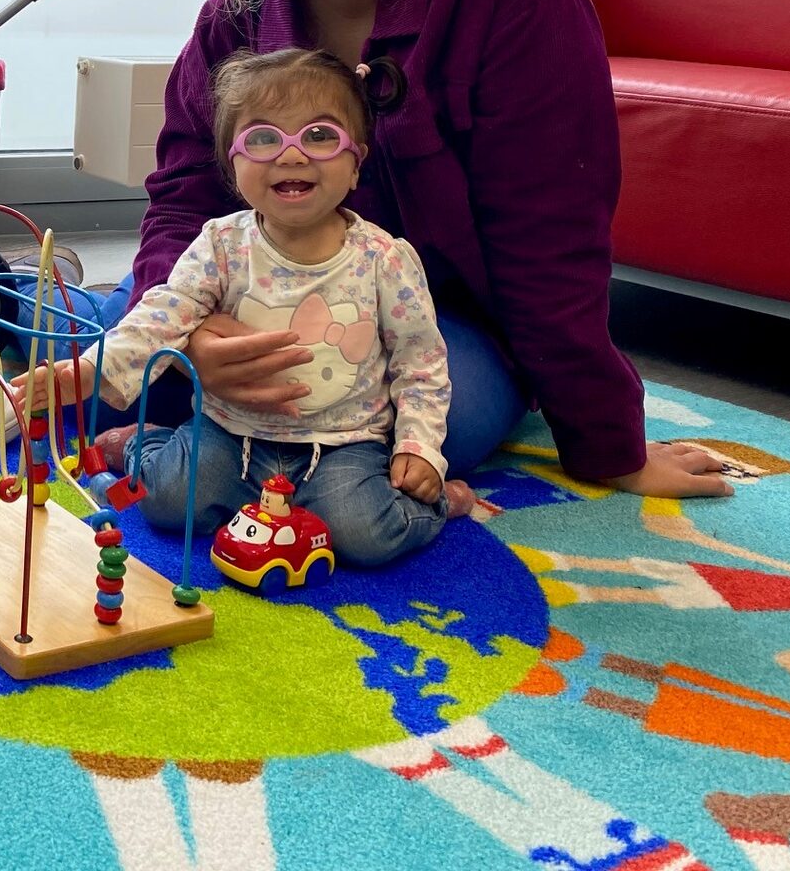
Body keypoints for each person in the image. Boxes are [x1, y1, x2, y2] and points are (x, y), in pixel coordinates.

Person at [118, 0, 732, 499]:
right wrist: (190, 335)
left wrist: (609, 445)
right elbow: (184, 197)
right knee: (118, 361)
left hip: (441, 327)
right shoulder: (234, 18)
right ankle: (94, 345)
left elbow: (551, 239)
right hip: (264, 293)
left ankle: (169, 419)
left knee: (411, 444)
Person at [27, 48, 475, 566]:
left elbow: (420, 363)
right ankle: (140, 443)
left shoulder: (385, 259)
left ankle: (441, 504)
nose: (292, 155)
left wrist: (419, 448)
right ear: (232, 164)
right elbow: (162, 315)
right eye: (263, 138)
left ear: (357, 164)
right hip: (230, 431)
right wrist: (90, 369)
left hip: (345, 443)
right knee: (169, 502)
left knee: (364, 535)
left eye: (320, 135)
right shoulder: (220, 246)